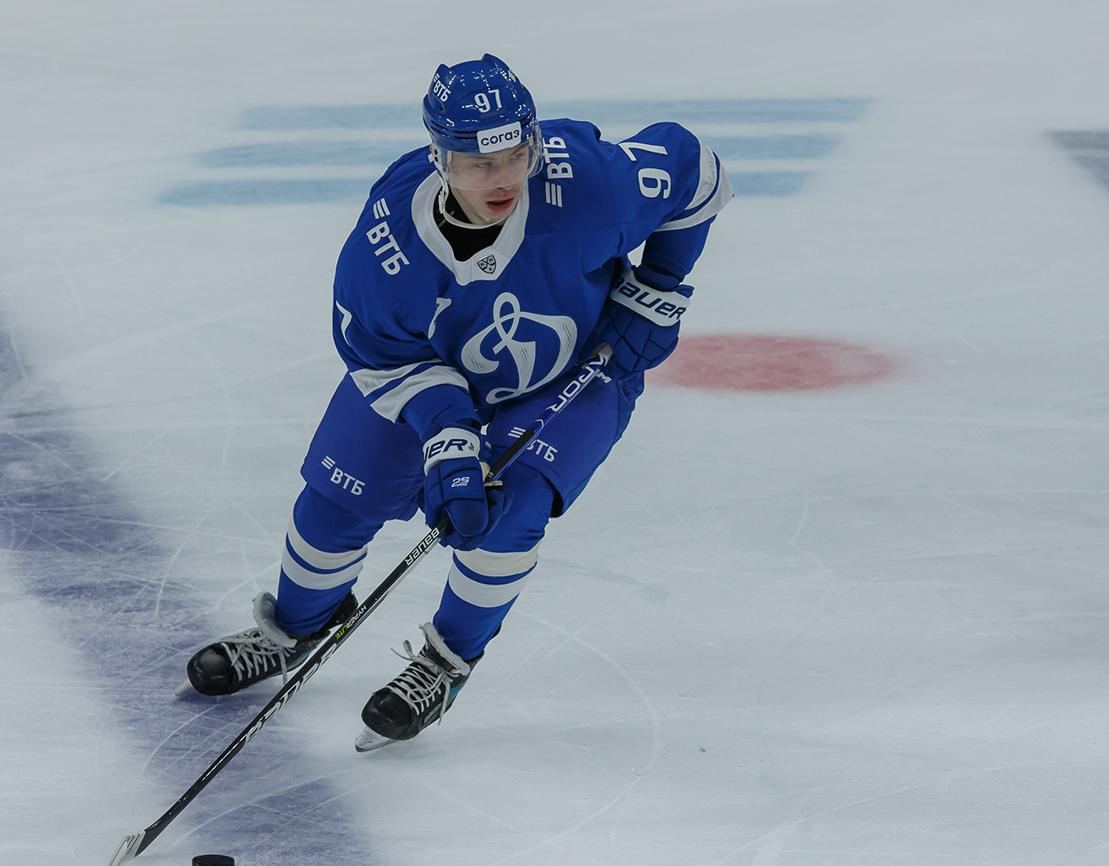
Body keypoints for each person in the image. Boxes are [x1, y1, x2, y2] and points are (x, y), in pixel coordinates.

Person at [180, 53, 731, 751]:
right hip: (428, 373)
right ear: (438, 156)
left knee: (508, 513)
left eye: (517, 155)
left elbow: (697, 171)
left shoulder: (587, 183)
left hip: (573, 368)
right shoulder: (389, 243)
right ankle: (294, 627)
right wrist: (448, 437)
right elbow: (384, 356)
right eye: (478, 164)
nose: (503, 178)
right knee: (335, 504)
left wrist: (658, 288)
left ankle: (446, 661)